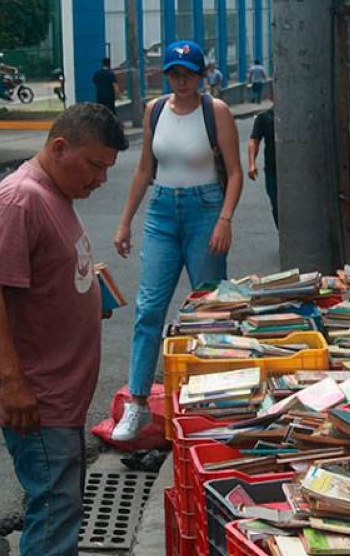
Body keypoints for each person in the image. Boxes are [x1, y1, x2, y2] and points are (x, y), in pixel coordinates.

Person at [0, 103, 128, 556]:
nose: (100, 180)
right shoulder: (20, 200)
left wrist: (88, 294)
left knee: (62, 513)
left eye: (107, 169)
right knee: (53, 515)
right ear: (59, 147)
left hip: (62, 398)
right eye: (95, 166)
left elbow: (39, 277)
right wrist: (12, 383)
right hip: (39, 399)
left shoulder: (56, 196)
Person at [111, 40, 243, 441]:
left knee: (208, 311)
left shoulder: (215, 111)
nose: (181, 81)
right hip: (162, 212)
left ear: (202, 76)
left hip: (206, 210)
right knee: (149, 310)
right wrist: (125, 222)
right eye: (174, 73)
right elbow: (144, 170)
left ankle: (215, 402)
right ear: (166, 75)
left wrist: (224, 219)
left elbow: (235, 173)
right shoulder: (155, 110)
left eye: (188, 74)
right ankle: (137, 404)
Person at [248, 105, 278, 228]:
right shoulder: (264, 117)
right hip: (272, 171)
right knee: (276, 205)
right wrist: (251, 163)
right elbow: (254, 141)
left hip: (296, 172)